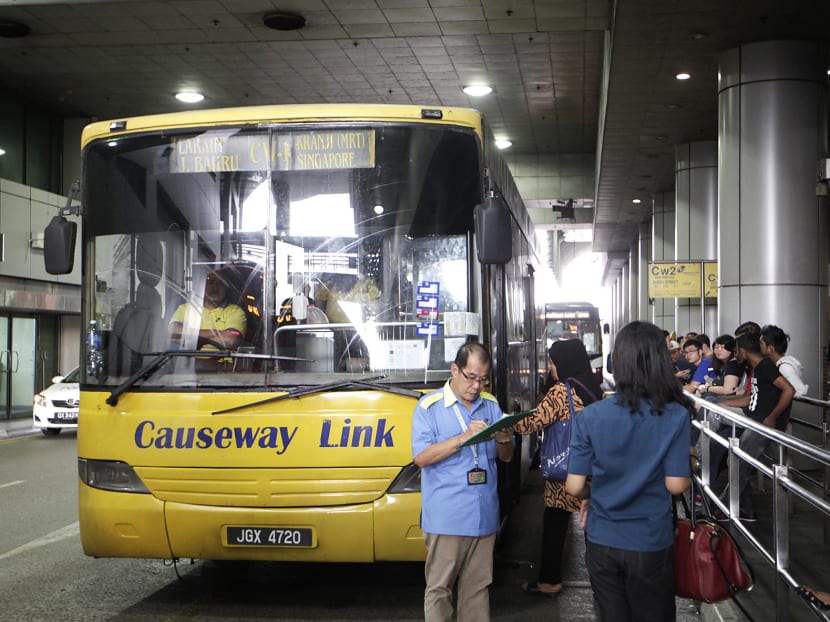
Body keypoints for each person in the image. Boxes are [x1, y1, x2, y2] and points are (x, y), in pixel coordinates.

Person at [565, 321, 694, 622]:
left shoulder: (592, 415)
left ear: (618, 362)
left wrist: (591, 495)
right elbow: (676, 485)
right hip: (650, 540)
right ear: (660, 361)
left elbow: (573, 487)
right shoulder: (675, 414)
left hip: (602, 539)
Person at [411, 342, 514, 622]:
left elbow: (505, 458)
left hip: (485, 515)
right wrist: (462, 438)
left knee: (478, 588)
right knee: (440, 589)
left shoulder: (490, 405)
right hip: (447, 517)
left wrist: (506, 441)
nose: (476, 386)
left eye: (483, 379)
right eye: (471, 377)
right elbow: (421, 457)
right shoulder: (429, 407)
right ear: (454, 370)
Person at [512, 339, 602, 596]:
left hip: (565, 470)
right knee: (592, 527)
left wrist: (506, 422)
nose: (551, 367)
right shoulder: (592, 386)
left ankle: (549, 580)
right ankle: (602, 583)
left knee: (554, 524)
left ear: (564, 363)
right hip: (592, 467)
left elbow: (533, 422)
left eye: (553, 362)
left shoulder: (562, 391)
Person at [718, 331, 795, 520]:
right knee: (736, 461)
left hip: (762, 424)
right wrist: (726, 404)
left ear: (742, 351)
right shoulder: (757, 368)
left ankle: (725, 505)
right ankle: (742, 508)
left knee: (738, 462)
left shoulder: (766, 367)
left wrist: (772, 417)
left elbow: (789, 390)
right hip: (755, 420)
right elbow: (752, 398)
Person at [169, 270, 247, 352]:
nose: (215, 288)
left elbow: (230, 340)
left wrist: (190, 336)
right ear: (203, 286)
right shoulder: (185, 309)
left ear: (226, 287)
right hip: (189, 362)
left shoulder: (235, 311)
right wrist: (218, 335)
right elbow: (172, 331)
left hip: (221, 363)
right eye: (211, 282)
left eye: (220, 283)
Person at [760, 324, 808, 396]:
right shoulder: (776, 365)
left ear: (770, 348)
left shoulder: (785, 367)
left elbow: (800, 391)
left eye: (761, 343)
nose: (758, 346)